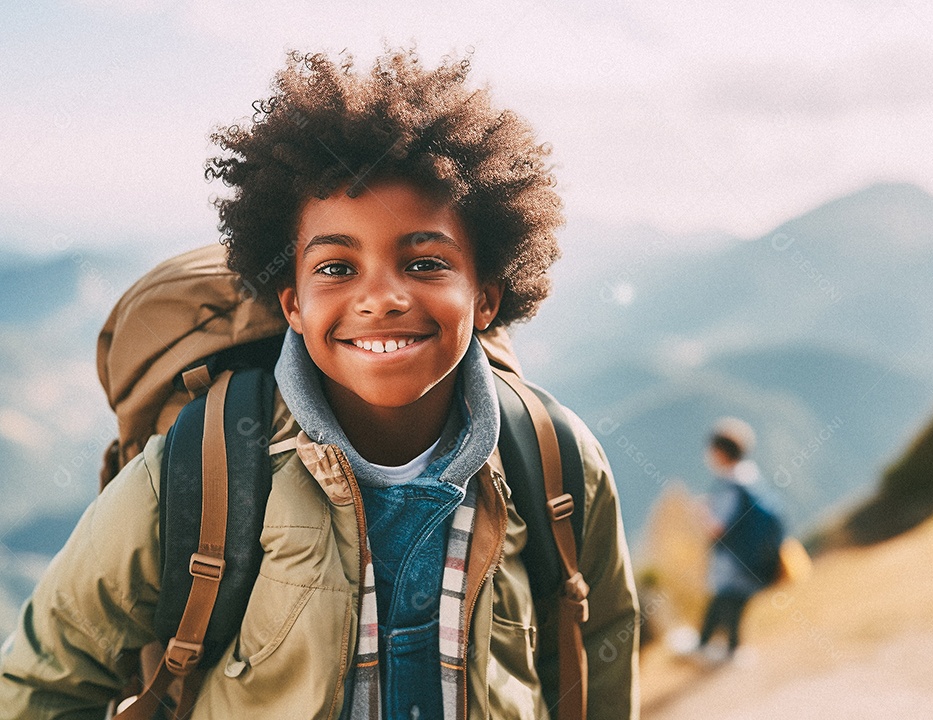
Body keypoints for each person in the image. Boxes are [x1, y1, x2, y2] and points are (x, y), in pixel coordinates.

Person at [0, 49, 639, 719]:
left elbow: (598, 666)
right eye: (337, 268)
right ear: (293, 304)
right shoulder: (200, 474)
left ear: (484, 297)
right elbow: (41, 687)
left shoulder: (556, 463)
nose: (381, 298)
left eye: (424, 262)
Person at [697, 418, 781, 662]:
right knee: (730, 601)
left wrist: (702, 512)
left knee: (726, 599)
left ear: (721, 452)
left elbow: (718, 528)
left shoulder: (729, 485)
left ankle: (718, 649)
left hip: (735, 558)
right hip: (754, 554)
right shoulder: (750, 477)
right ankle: (718, 647)